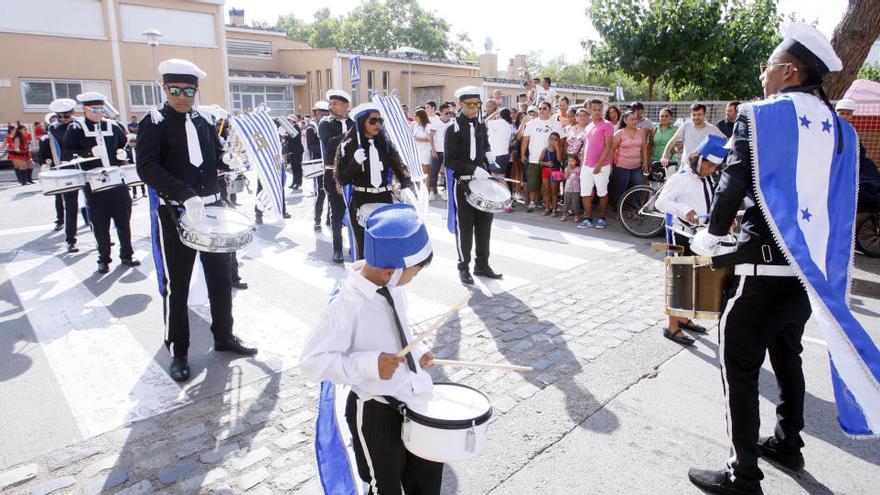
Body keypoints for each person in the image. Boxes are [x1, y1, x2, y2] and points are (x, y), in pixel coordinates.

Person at [687, 24, 856, 495]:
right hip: (806, 278)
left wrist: (710, 236)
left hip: (760, 274)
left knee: (738, 368)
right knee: (788, 356)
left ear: (787, 70)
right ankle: (788, 442)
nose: (763, 76)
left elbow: (731, 184)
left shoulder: (759, 117)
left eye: (767, 67)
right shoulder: (839, 130)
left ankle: (743, 474)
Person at [300, 203, 441, 495]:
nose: (413, 279)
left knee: (425, 481)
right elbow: (311, 361)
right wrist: (369, 365)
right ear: (390, 272)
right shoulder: (346, 306)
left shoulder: (392, 286)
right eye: (413, 273)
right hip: (376, 411)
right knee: (384, 487)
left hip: (413, 400)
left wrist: (418, 351)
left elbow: (401, 326)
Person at [137, 58, 257, 382]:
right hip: (177, 213)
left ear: (196, 90)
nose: (182, 96)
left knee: (220, 279)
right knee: (179, 286)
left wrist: (227, 159)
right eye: (175, 90)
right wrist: (184, 193)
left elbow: (214, 154)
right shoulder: (154, 122)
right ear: (165, 88)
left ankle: (224, 336)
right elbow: (147, 167)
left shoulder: (204, 121)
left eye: (188, 90)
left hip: (213, 210)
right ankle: (179, 351)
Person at [654, 135, 728, 346]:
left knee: (694, 279)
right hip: (681, 234)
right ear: (699, 160)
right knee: (679, 279)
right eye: (710, 165)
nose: (713, 170)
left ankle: (684, 317)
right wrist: (686, 211)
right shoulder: (681, 177)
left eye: (716, 166)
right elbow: (661, 203)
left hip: (699, 235)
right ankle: (672, 326)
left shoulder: (708, 178)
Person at [62, 92, 139, 274]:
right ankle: (104, 258)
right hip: (94, 184)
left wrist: (125, 155)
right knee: (100, 223)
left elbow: (125, 148)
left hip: (117, 181)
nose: (98, 113)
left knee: (123, 220)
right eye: (94, 110)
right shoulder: (75, 128)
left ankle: (127, 254)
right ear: (85, 109)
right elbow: (66, 154)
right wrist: (88, 153)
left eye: (101, 109)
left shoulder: (113, 126)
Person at [336, 103, 413, 260]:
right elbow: (343, 179)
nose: (378, 124)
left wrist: (407, 187)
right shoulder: (349, 146)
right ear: (362, 122)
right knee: (364, 250)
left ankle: (384, 283)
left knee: (386, 246)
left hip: (384, 197)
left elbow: (400, 169)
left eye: (380, 120)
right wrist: (355, 162)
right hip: (361, 199)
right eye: (373, 121)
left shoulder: (385, 145)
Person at [445, 85, 503, 285]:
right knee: (465, 227)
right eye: (470, 105)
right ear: (461, 105)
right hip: (463, 183)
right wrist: (471, 170)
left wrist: (488, 153)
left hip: (482, 181)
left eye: (477, 104)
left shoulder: (480, 125)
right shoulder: (452, 128)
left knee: (485, 224)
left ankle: (482, 264)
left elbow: (484, 143)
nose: (474, 108)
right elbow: (450, 161)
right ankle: (463, 266)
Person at [319, 90, 354, 263]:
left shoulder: (355, 123)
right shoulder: (325, 123)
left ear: (346, 105)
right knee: (337, 213)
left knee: (355, 212)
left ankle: (356, 247)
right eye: (330, 104)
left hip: (353, 173)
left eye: (335, 104)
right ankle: (338, 248)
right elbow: (329, 144)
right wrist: (349, 136)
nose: (331, 107)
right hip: (333, 173)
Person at [39, 99, 80, 246]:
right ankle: (70, 240)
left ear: (73, 113)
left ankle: (99, 237)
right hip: (66, 168)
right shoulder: (55, 128)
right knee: (70, 205)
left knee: (93, 204)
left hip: (85, 166)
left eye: (66, 116)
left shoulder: (81, 124)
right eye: (59, 116)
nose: (62, 119)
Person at [578, 99, 615, 229]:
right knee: (585, 193)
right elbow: (586, 146)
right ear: (589, 110)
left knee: (602, 193)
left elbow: (608, 146)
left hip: (601, 166)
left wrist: (599, 165)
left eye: (600, 109)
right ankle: (588, 218)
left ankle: (602, 218)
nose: (597, 112)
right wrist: (583, 164)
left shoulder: (607, 125)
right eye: (594, 109)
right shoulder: (588, 126)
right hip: (586, 167)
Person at [521, 101, 563, 212]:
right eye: (540, 108)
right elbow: (525, 139)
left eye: (544, 108)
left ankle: (551, 207)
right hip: (534, 159)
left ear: (549, 109)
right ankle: (532, 203)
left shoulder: (556, 124)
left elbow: (562, 141)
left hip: (552, 162)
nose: (541, 110)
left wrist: (560, 156)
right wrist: (522, 154)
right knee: (533, 183)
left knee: (553, 187)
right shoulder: (531, 123)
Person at [661, 103, 724, 171]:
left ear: (704, 115)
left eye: (699, 114)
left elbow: (724, 144)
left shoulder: (712, 129)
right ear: (690, 115)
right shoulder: (685, 126)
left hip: (703, 171)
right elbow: (672, 141)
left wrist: (716, 163)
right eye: (694, 115)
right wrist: (664, 157)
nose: (696, 117)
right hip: (685, 168)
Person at [610, 110, 650, 209]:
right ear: (625, 120)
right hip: (621, 167)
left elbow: (644, 148)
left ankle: (636, 208)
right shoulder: (620, 133)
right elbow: (611, 150)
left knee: (639, 186)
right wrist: (610, 166)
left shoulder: (641, 132)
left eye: (636, 119)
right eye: (632, 119)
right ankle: (618, 209)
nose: (635, 121)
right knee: (620, 188)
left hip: (636, 167)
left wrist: (645, 162)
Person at [428, 103, 454, 200]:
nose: (449, 115)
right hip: (437, 151)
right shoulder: (435, 122)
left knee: (448, 172)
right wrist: (433, 150)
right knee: (434, 171)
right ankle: (431, 192)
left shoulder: (453, 122)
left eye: (450, 112)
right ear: (441, 113)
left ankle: (446, 191)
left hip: (449, 152)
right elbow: (430, 137)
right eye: (446, 113)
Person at [539, 132, 563, 216]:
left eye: (555, 140)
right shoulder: (545, 150)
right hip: (546, 171)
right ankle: (547, 208)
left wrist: (557, 147)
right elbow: (540, 162)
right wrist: (546, 164)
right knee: (546, 191)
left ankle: (554, 209)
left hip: (556, 171)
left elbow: (559, 159)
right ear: (548, 139)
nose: (553, 141)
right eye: (551, 139)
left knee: (554, 192)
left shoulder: (559, 149)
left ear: (558, 141)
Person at [487, 107, 515, 179]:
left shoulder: (501, 122)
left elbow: (486, 121)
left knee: (499, 177)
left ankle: (506, 190)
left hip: (498, 154)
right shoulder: (509, 124)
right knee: (496, 176)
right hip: (501, 154)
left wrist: (496, 112)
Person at [412, 108, 433, 185]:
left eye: (416, 116)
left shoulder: (428, 126)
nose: (414, 117)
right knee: (420, 170)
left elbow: (431, 138)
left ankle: (427, 187)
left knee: (426, 170)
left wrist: (419, 139)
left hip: (426, 150)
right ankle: (421, 187)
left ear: (421, 116)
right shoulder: (417, 126)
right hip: (418, 151)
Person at [560, 154, 582, 222]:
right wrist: (568, 170)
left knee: (576, 203)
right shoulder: (567, 168)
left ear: (576, 162)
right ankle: (564, 215)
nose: (570, 163)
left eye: (573, 161)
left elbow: (580, 178)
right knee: (566, 203)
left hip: (576, 190)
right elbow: (566, 177)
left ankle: (577, 215)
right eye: (569, 161)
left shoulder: (578, 169)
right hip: (567, 189)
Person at [284, 116, 305, 191]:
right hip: (292, 150)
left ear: (293, 120)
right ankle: (294, 182)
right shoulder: (289, 128)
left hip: (297, 150)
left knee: (298, 167)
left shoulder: (296, 127)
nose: (288, 121)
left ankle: (299, 183)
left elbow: (294, 138)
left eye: (289, 120)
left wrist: (286, 136)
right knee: (294, 168)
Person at [124, 133, 146, 198]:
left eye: (134, 142)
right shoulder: (127, 149)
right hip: (131, 166)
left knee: (141, 180)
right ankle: (134, 193)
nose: (132, 144)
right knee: (133, 181)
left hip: (138, 165)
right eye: (131, 142)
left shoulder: (139, 148)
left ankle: (143, 192)